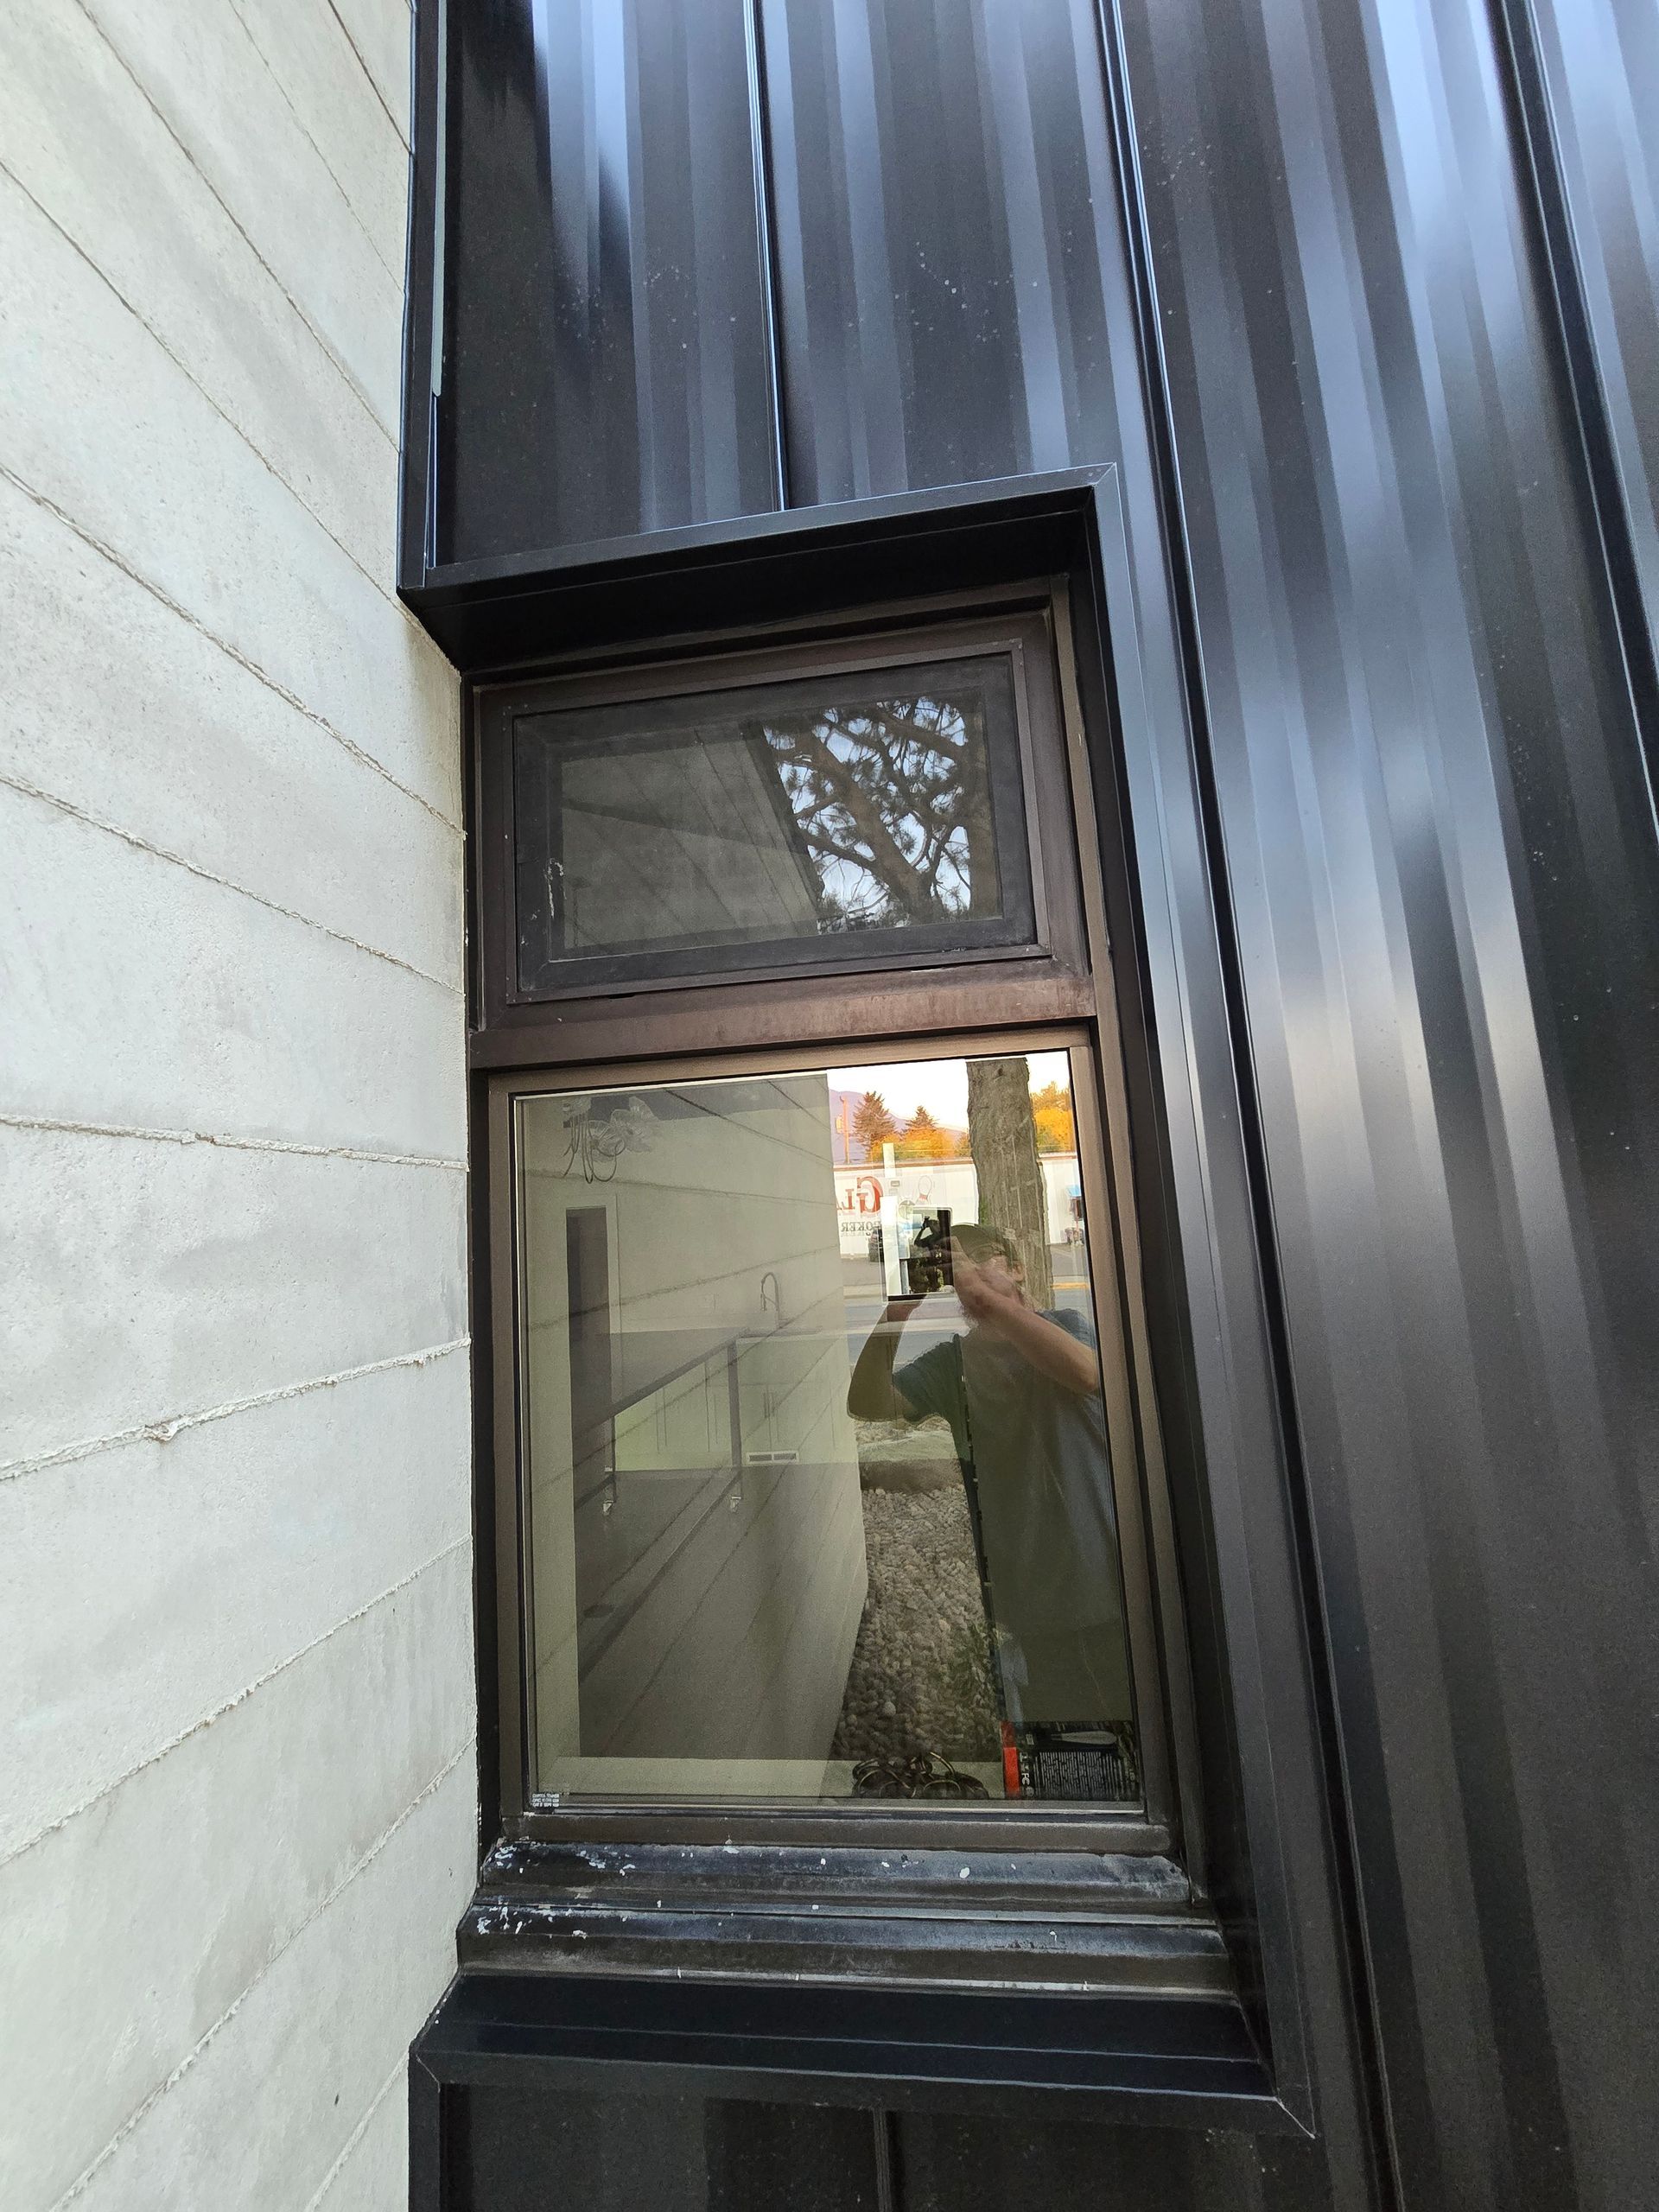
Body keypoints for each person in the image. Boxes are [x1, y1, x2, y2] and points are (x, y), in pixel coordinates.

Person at [846, 1223, 1131, 1727]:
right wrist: (895, 1313)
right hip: (1030, 1588)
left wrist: (992, 1301)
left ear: (1018, 1269)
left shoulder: (1065, 1323)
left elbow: (1085, 1374)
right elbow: (868, 1404)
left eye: (984, 1258)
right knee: (1064, 1731)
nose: (967, 1270)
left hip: (1107, 1577)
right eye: (957, 1262)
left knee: (1126, 1715)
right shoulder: (951, 1362)